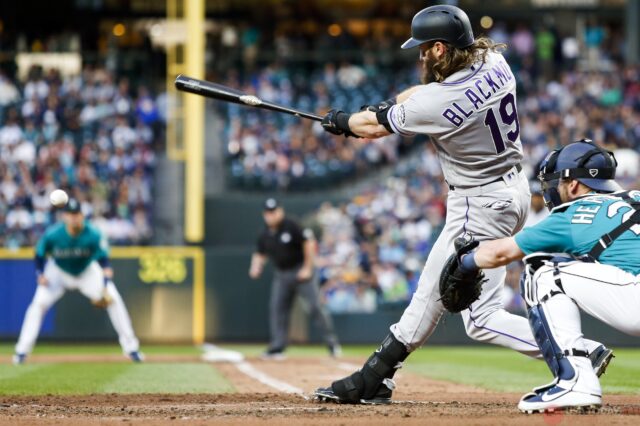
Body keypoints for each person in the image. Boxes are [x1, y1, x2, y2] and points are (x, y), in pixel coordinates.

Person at [314, 5, 612, 404]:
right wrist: (376, 112)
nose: (420, 55)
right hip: (513, 190)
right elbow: (419, 98)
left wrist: (342, 120)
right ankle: (379, 375)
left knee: (454, 304)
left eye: (424, 49)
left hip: (479, 202)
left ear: (440, 49)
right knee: (473, 311)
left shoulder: (436, 102)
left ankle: (375, 376)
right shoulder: (494, 60)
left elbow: (375, 127)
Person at [458, 139, 638, 412]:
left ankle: (576, 381)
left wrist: (465, 263)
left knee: (541, 270)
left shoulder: (574, 212)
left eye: (556, 182)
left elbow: (500, 254)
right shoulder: (635, 197)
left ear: (574, 185)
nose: (552, 190)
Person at [13, 198, 142, 364]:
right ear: (65, 216)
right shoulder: (54, 234)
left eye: (77, 214)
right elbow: (39, 254)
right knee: (38, 304)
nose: (74, 217)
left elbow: (103, 258)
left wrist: (106, 274)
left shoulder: (93, 233)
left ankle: (132, 349)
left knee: (114, 299)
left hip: (86, 271)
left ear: (82, 215)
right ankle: (21, 351)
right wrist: (40, 274)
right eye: (71, 214)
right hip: (58, 271)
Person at [249, 198, 340, 359]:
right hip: (282, 274)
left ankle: (332, 343)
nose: (271, 215)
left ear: (280, 211)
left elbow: (309, 243)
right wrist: (256, 266)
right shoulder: (264, 233)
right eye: (268, 213)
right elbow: (260, 253)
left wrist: (307, 267)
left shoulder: (292, 225)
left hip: (301, 272)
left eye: (274, 211)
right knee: (277, 308)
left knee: (315, 307)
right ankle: (278, 346)